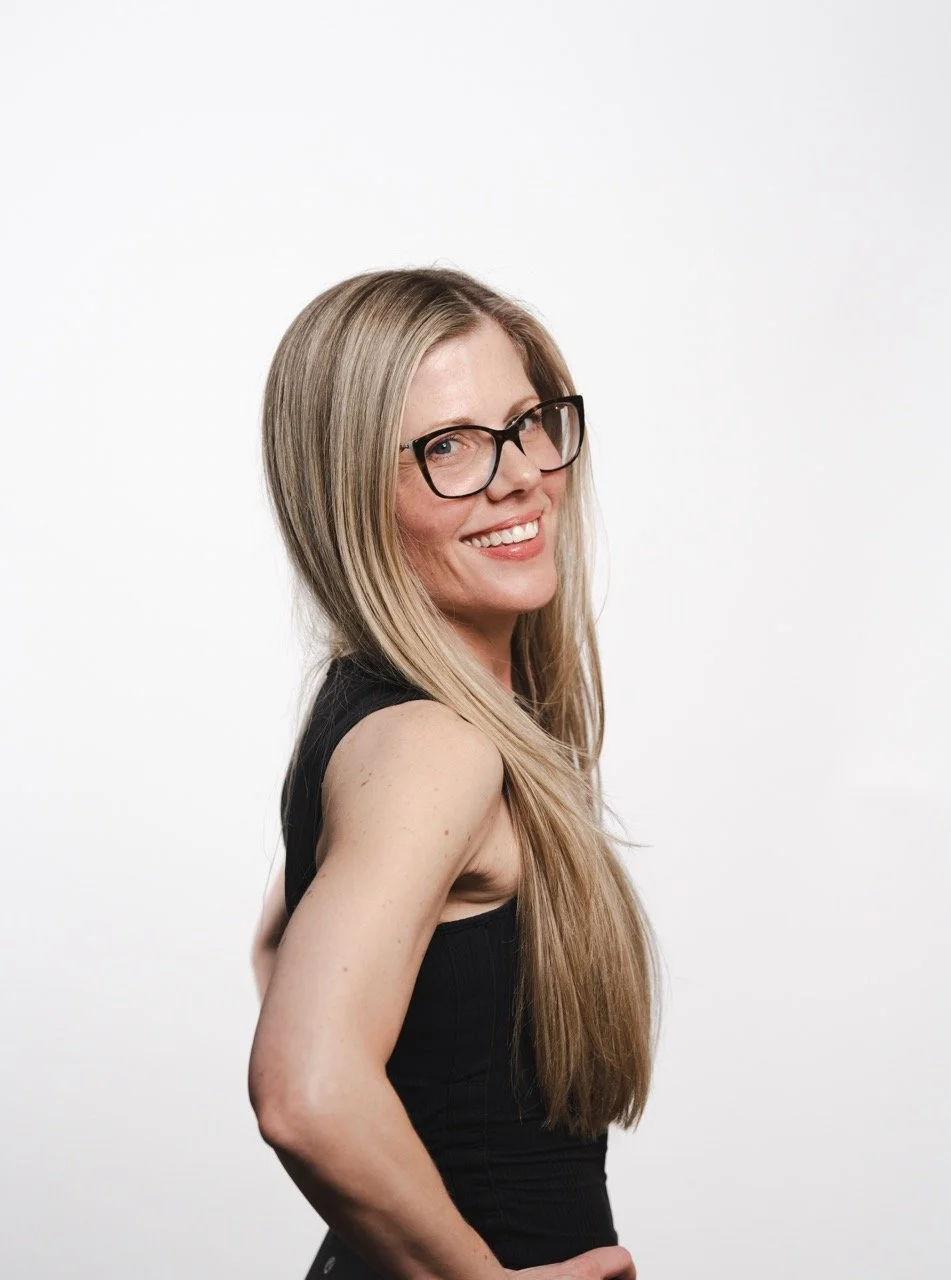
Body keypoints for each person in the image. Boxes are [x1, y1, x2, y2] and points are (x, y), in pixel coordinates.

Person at [247, 267, 662, 1280]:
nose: (518, 473)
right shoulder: (438, 744)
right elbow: (304, 1088)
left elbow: (276, 942)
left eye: (525, 421)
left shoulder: (382, 711)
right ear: (353, 490)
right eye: (449, 447)